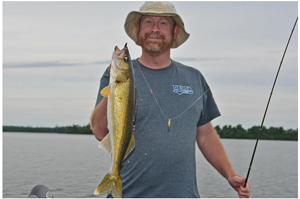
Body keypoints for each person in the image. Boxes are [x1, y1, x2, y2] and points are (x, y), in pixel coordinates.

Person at [91, 1, 251, 198]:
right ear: (138, 29)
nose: (155, 29)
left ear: (175, 33)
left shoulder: (195, 78)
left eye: (164, 23)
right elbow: (100, 132)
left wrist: (230, 174)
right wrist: (116, 86)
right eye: (148, 21)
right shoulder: (113, 77)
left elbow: (205, 135)